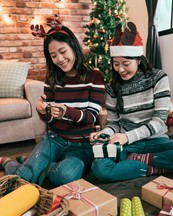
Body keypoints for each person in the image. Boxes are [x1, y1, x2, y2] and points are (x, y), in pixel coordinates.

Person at [0, 17, 105, 186]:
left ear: (73, 47)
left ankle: (33, 163)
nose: (60, 59)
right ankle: (8, 162)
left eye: (63, 52)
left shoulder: (95, 77)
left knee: (65, 176)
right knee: (23, 179)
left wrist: (66, 111)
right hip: (54, 139)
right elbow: (49, 120)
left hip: (83, 145)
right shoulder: (52, 77)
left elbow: (91, 117)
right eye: (53, 55)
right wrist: (43, 111)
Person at [90, 21, 173, 183]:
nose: (120, 69)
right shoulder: (112, 87)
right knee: (100, 169)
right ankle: (156, 167)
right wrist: (105, 133)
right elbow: (113, 124)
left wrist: (128, 136)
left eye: (126, 64)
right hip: (127, 146)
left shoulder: (158, 78)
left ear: (139, 60)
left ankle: (140, 161)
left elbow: (159, 120)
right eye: (116, 64)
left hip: (156, 140)